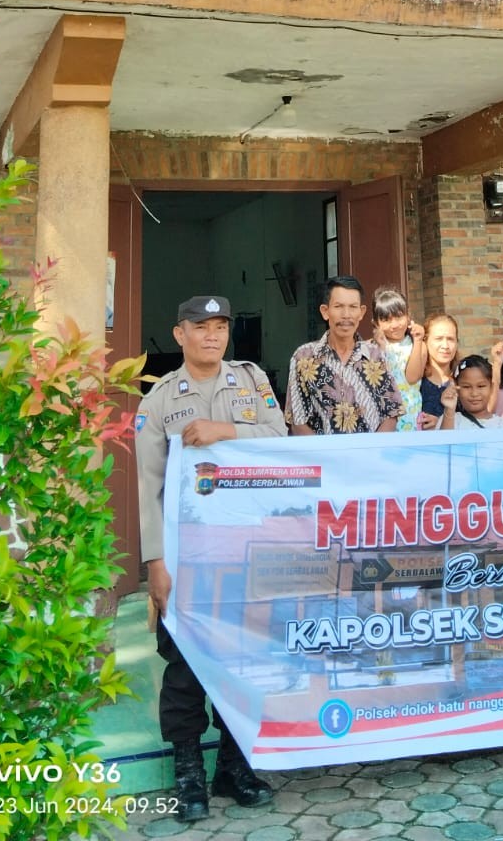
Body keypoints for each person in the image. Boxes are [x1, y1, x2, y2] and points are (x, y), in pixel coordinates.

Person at [134, 294, 285, 821]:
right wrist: (155, 562)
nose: (213, 335)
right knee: (184, 664)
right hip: (187, 552)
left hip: (245, 546)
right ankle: (188, 772)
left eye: (220, 326)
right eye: (202, 327)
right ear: (180, 335)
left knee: (243, 657)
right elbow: (149, 487)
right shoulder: (157, 403)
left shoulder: (251, 382)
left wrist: (227, 431)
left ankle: (233, 767)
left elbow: (278, 436)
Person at [286, 274, 403, 434]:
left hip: (369, 456)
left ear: (361, 313)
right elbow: (297, 422)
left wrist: (371, 452)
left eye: (353, 307)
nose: (346, 315)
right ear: (325, 311)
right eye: (339, 306)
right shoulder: (304, 358)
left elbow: (391, 413)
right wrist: (327, 458)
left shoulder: (376, 355)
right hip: (324, 456)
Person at [372, 284, 425, 430]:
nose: (394, 324)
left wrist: (418, 341)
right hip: (383, 419)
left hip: (411, 416)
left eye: (399, 317)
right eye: (386, 320)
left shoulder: (417, 345)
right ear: (376, 323)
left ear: (408, 316)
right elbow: (380, 380)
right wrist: (381, 348)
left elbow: (412, 378)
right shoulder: (372, 348)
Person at [439, 355, 503, 430]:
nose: (474, 393)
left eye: (481, 386)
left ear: (492, 387)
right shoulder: (449, 420)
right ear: (457, 388)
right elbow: (445, 440)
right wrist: (449, 410)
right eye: (466, 387)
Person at [418, 312, 460, 426]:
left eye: (450, 339)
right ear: (425, 341)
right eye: (439, 339)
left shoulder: (462, 380)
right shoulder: (416, 381)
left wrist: (439, 423)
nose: (445, 346)